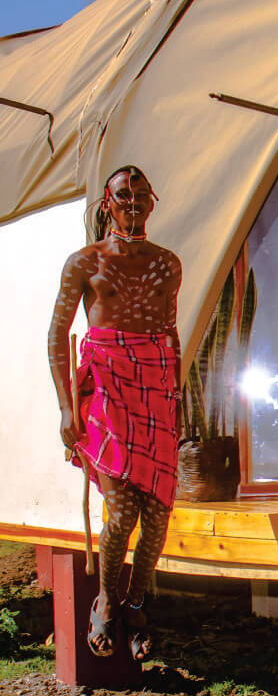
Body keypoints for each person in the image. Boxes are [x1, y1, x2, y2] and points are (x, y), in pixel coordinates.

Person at [48, 166, 182, 660]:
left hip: (155, 387)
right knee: (122, 512)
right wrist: (67, 407)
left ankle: (136, 602)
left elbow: (170, 336)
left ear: (152, 202)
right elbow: (57, 334)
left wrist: (177, 402)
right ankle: (106, 601)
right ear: (107, 203)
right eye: (123, 195)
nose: (132, 203)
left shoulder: (168, 264)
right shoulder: (84, 262)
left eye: (141, 195)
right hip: (105, 386)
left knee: (160, 513)